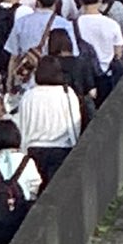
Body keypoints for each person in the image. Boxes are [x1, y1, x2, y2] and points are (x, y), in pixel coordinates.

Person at [15, 57, 82, 187]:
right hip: (61, 149)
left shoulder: (29, 95)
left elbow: (22, 125)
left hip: (34, 150)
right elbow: (75, 124)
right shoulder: (67, 94)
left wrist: (23, 151)